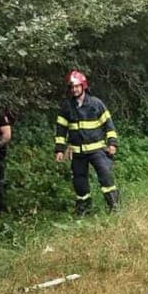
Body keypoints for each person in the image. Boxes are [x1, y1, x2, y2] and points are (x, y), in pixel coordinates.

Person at [54, 70, 120, 215]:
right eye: (72, 87)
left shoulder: (96, 103)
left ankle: (114, 206)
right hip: (77, 152)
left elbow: (109, 125)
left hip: (97, 150)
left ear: (83, 86)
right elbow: (61, 130)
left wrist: (112, 143)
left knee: (105, 175)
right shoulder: (66, 107)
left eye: (77, 86)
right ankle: (84, 210)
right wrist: (59, 150)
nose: (74, 90)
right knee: (79, 182)